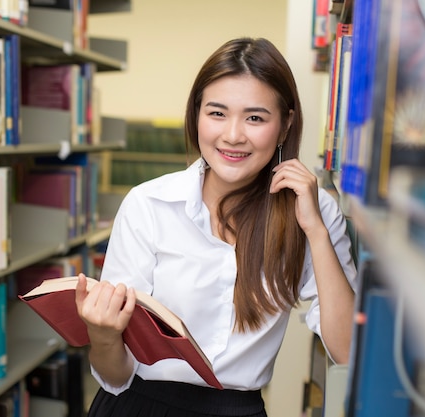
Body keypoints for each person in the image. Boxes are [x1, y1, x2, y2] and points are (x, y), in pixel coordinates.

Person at [75, 37, 357, 417]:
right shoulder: (148, 205)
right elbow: (114, 375)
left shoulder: (314, 210)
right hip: (138, 405)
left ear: (286, 124)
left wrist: (316, 232)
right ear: (196, 115)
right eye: (217, 113)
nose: (233, 135)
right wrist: (104, 333)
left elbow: (348, 352)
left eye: (255, 118)